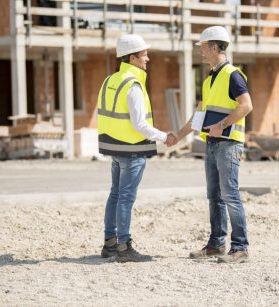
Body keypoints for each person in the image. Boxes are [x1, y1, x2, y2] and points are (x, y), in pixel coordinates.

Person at [167, 26, 253, 263]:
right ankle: (216, 244)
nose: (201, 53)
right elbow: (199, 115)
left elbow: (246, 105)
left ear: (214, 46)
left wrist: (223, 124)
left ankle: (240, 247)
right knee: (214, 195)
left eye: (203, 48)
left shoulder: (232, 75)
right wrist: (178, 136)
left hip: (228, 143)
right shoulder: (209, 80)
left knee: (230, 194)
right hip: (212, 144)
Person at [97, 34, 176, 262]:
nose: (147, 59)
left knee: (115, 195)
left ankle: (110, 243)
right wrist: (164, 137)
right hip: (132, 150)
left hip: (114, 147)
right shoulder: (133, 85)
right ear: (132, 58)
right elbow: (140, 124)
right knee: (125, 198)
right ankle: (124, 247)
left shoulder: (110, 80)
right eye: (144, 55)